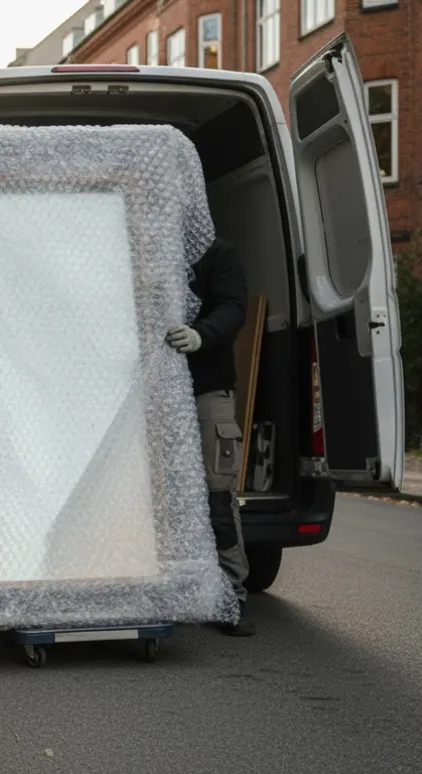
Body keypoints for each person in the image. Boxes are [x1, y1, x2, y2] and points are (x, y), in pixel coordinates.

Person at [166, 237, 255, 637]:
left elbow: (233, 307)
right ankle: (167, 590)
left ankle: (231, 597)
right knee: (161, 492)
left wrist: (201, 335)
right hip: (159, 394)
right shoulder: (152, 250)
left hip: (207, 391)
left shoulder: (218, 254)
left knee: (217, 494)